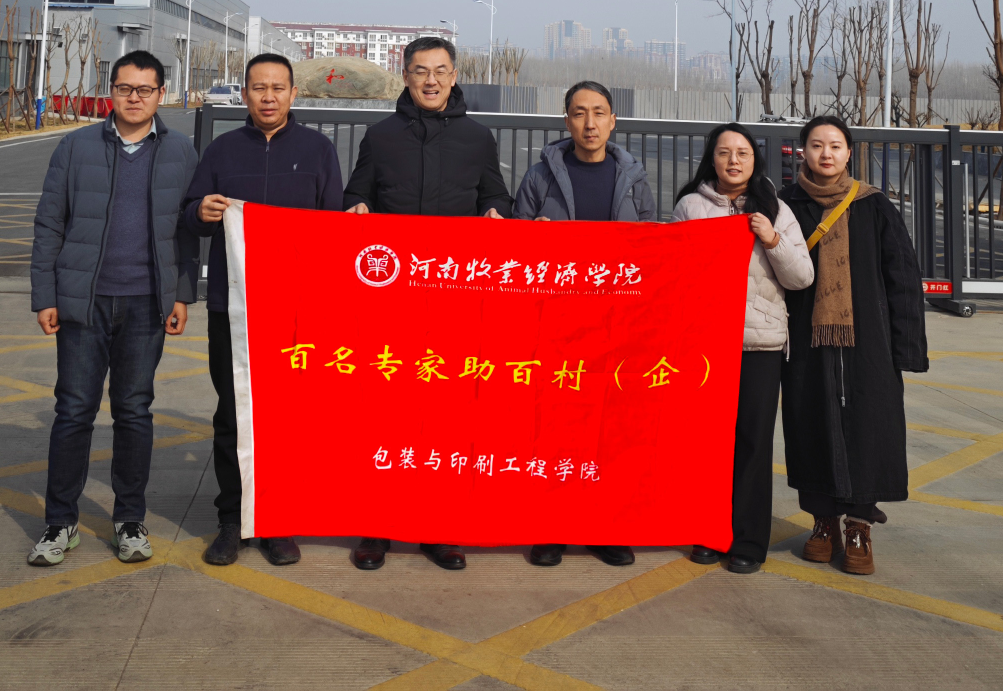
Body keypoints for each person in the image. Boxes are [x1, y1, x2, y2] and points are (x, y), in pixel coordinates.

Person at [343, 34, 509, 571]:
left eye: (440, 71)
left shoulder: (477, 138)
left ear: (454, 76)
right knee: (385, 416)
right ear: (406, 76)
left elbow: (494, 195)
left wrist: (496, 214)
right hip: (391, 303)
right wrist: (357, 207)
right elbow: (357, 193)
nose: (431, 80)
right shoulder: (381, 136)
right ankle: (376, 527)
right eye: (420, 71)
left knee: (446, 419)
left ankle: (439, 527)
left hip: (454, 302)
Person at [27, 50, 197, 567]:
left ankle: (129, 519)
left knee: (134, 411)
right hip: (84, 303)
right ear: (112, 92)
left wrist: (181, 294)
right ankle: (60, 522)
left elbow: (187, 231)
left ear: (161, 94)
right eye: (125, 88)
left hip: (147, 304)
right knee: (73, 411)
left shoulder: (181, 151)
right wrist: (46, 295)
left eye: (144, 90)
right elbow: (49, 223)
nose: (134, 98)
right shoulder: (76, 146)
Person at [179, 52, 345, 568]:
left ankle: (277, 521)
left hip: (296, 310)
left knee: (288, 418)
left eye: (277, 88)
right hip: (233, 308)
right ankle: (232, 520)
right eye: (258, 88)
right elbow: (190, 215)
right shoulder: (222, 150)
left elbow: (334, 229)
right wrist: (202, 211)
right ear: (245, 94)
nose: (268, 97)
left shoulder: (318, 151)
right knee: (232, 414)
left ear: (294, 94)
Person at [778, 113, 928, 577]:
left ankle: (859, 525)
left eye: (835, 146)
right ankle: (823, 523)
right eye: (816, 145)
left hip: (868, 342)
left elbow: (903, 276)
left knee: (870, 425)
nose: (826, 153)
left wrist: (905, 348)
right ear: (803, 151)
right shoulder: (785, 205)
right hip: (805, 339)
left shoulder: (873, 205)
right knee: (809, 423)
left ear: (848, 153)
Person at [513, 79, 653, 569]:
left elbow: (652, 249)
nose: (589, 123)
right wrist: (533, 238)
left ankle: (604, 527)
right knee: (554, 429)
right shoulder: (540, 177)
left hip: (616, 323)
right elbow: (514, 250)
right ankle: (551, 527)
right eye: (579, 113)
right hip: (556, 322)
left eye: (598, 113)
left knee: (610, 430)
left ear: (613, 121)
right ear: (566, 120)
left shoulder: (633, 177)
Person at [671, 123, 814, 575]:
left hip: (759, 343)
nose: (733, 161)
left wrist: (771, 239)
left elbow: (802, 277)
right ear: (711, 159)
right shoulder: (690, 207)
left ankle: (749, 540)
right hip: (705, 344)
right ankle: (708, 532)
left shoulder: (775, 208)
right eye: (724, 152)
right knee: (706, 442)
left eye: (743, 153)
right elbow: (673, 272)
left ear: (755, 160)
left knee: (753, 441)